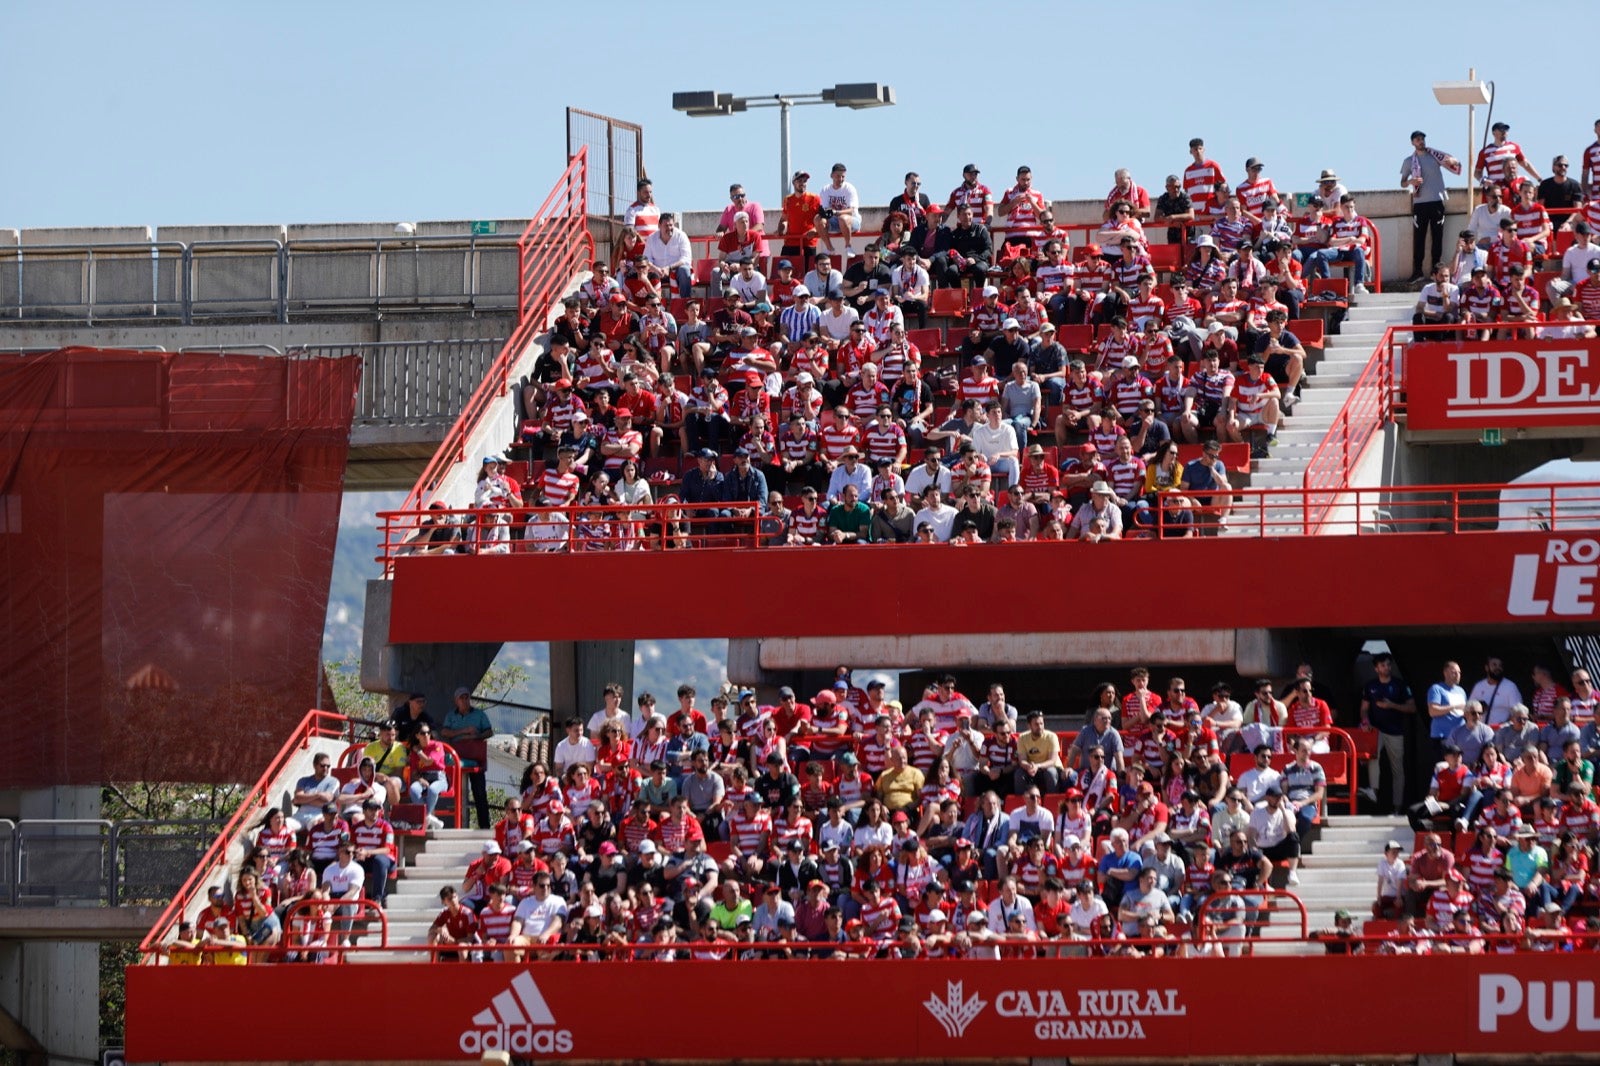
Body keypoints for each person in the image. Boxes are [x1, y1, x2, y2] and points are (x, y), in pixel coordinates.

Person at [1401, 130, 1462, 284]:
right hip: (1419, 203)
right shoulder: (1409, 161)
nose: (1421, 141)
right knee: (1419, 238)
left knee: (1437, 237)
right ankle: (1417, 271)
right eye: (1417, 139)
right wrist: (1410, 182)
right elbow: (1402, 182)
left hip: (1436, 201)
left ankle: (1437, 271)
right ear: (1412, 143)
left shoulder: (1435, 156)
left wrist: (1454, 162)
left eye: (1422, 139)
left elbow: (1451, 161)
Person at [1360, 653, 1413, 813]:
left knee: (1397, 769)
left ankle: (1397, 808)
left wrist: (1392, 706)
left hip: (1395, 731)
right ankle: (1373, 791)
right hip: (1375, 730)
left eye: (1388, 665)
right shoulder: (1370, 686)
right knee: (1372, 757)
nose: (1387, 668)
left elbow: (1412, 708)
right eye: (1383, 665)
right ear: (1376, 668)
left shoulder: (1400, 685)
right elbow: (1364, 709)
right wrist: (1365, 721)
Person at [439, 686, 494, 829]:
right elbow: (444, 732)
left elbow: (489, 731)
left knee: (480, 793)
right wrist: (464, 731)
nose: (464, 700)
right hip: (457, 755)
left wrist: (477, 736)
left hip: (475, 754)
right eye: (461, 698)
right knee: (453, 792)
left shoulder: (479, 714)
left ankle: (484, 827)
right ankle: (456, 826)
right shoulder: (451, 716)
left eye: (466, 697)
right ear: (456, 701)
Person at [815, 163, 860, 258]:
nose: (840, 179)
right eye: (838, 176)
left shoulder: (849, 189)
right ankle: (829, 248)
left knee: (843, 218)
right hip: (834, 221)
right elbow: (825, 209)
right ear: (831, 176)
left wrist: (836, 212)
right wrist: (826, 214)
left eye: (843, 176)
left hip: (852, 221)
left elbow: (852, 210)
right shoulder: (826, 189)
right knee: (817, 219)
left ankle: (848, 246)